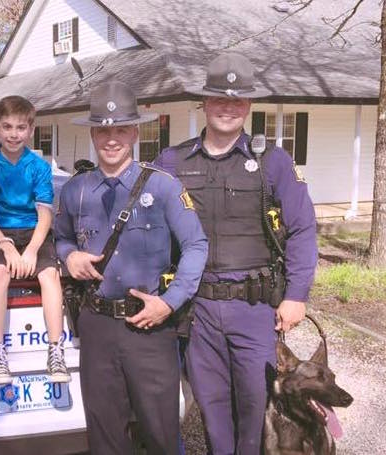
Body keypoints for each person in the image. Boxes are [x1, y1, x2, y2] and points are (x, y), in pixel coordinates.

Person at [154, 53, 317, 454]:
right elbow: (146, 228)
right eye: (219, 100)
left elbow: (302, 228)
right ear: (205, 103)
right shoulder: (172, 162)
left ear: (248, 107)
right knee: (210, 407)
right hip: (198, 308)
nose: (228, 108)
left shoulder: (272, 162)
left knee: (255, 406)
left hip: (255, 309)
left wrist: (296, 295)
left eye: (238, 101)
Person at [55, 81, 208, 454]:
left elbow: (196, 245)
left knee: (160, 436)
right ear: (93, 133)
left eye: (121, 128)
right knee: (105, 438)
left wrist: (170, 303)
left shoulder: (164, 187)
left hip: (149, 326)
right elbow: (61, 240)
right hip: (97, 326)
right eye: (104, 129)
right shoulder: (75, 190)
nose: (112, 138)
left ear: (136, 132)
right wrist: (69, 256)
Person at [0, 95, 68, 384]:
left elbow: (45, 216)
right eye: (8, 127)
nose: (14, 134)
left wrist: (32, 251)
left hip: (34, 232)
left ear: (31, 129)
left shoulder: (38, 167)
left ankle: (55, 350)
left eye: (21, 128)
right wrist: (7, 247)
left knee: (50, 274)